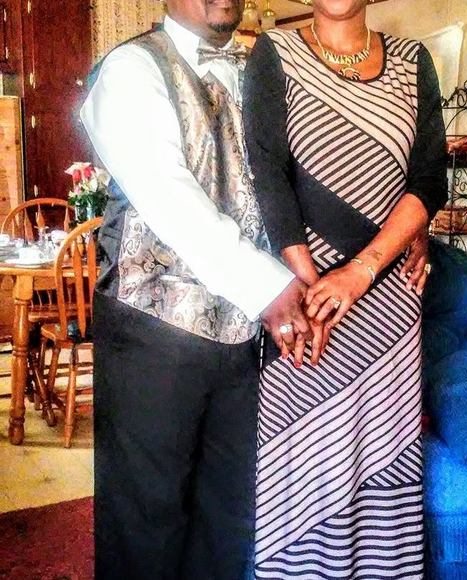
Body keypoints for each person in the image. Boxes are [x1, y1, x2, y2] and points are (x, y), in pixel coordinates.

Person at [80, 0, 318, 577]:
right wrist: (271, 290)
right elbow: (170, 199)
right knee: (145, 522)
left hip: (241, 337)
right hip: (152, 331)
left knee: (226, 519)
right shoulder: (132, 68)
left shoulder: (259, 72)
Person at [242, 0, 448, 575]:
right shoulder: (275, 53)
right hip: (305, 300)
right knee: (306, 458)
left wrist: (361, 271)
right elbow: (268, 175)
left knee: (381, 455)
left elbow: (430, 178)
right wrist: (314, 291)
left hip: (387, 301)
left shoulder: (412, 60)